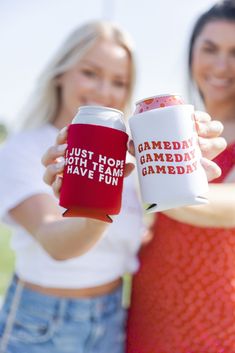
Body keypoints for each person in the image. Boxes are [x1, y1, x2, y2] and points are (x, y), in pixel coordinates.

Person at [0, 19, 226, 353]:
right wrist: (98, 200)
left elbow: (145, 229)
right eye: (90, 73)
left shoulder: (125, 157)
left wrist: (182, 162)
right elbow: (57, 244)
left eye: (119, 81)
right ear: (60, 73)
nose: (105, 92)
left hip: (111, 318)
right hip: (41, 321)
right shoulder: (23, 149)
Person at [126, 1, 235, 352]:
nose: (221, 65)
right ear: (191, 54)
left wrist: (155, 166)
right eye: (210, 49)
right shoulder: (174, 131)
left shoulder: (162, 140)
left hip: (216, 318)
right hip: (151, 306)